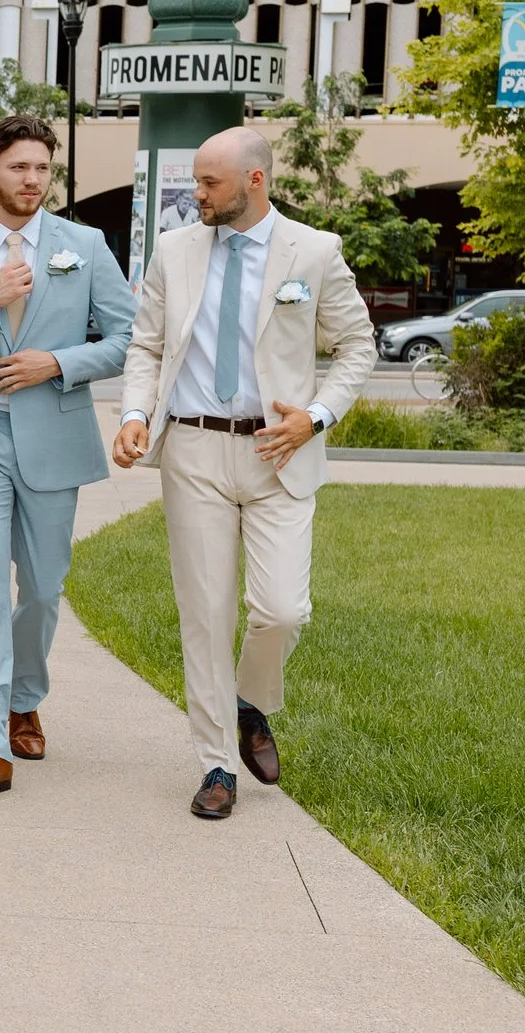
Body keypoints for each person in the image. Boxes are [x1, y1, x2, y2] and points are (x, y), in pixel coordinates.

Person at [112, 126, 375, 820]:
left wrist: (315, 415)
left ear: (255, 181)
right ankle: (217, 764)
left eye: (209, 183)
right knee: (205, 615)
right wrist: (135, 413)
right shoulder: (174, 249)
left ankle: (249, 700)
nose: (196, 193)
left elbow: (357, 346)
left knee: (282, 610)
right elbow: (146, 344)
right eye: (195, 180)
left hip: (279, 451)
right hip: (193, 450)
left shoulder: (314, 252)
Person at [0, 115, 136, 798]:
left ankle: (23, 697)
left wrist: (58, 363)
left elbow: (129, 339)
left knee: (41, 589)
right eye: (19, 166)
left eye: (42, 167)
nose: (33, 179)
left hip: (54, 437)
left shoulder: (85, 245)